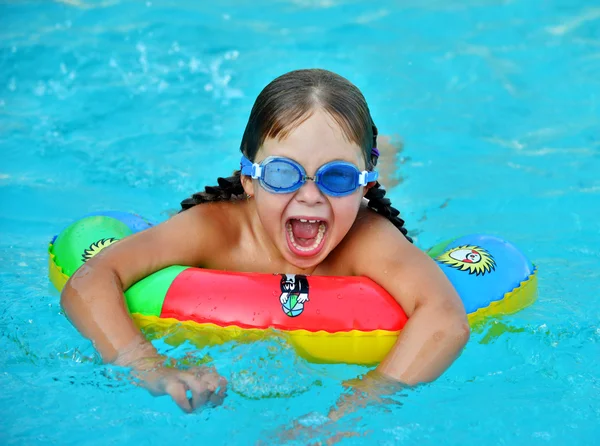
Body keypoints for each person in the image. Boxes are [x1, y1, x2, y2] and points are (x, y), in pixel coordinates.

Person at [60, 68, 470, 414]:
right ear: (249, 179)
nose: (310, 195)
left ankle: (386, 157)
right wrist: (146, 364)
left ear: (365, 186)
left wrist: (350, 410)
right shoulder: (215, 231)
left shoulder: (368, 239)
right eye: (281, 173)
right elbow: (91, 279)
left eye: (338, 177)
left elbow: (445, 317)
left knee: (396, 194)